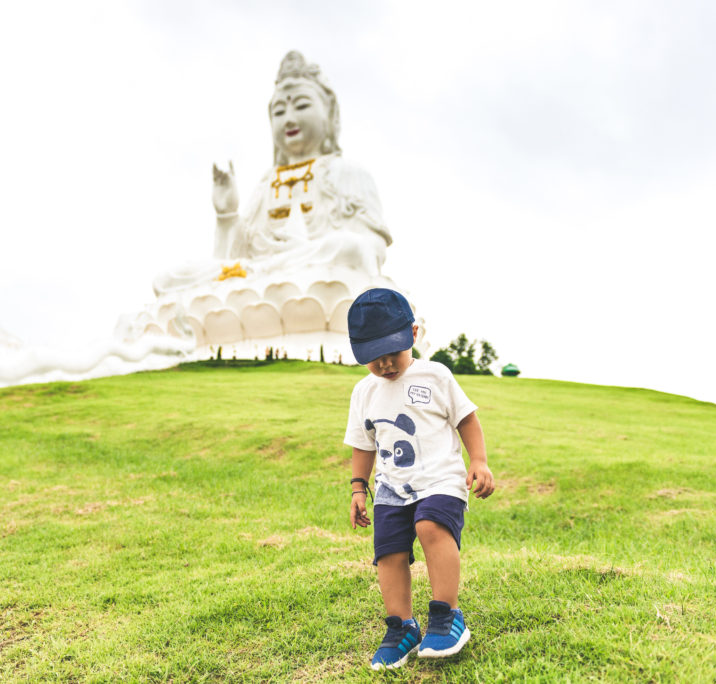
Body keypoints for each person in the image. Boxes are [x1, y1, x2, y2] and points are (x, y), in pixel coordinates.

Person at [152, 51, 391, 296]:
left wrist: (307, 249)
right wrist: (226, 214)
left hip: (320, 276)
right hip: (260, 273)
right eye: (279, 112)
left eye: (301, 106)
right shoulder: (266, 184)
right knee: (168, 278)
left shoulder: (347, 172)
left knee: (347, 246)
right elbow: (232, 259)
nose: (289, 119)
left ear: (329, 115)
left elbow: (370, 252)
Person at [343, 288, 495, 670]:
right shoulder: (364, 392)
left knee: (430, 526)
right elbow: (363, 444)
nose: (385, 365)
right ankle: (402, 628)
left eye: (391, 353)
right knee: (388, 553)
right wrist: (358, 488)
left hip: (441, 481)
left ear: (413, 334)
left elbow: (466, 419)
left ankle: (447, 617)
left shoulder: (435, 375)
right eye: (374, 359)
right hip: (392, 489)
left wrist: (478, 460)